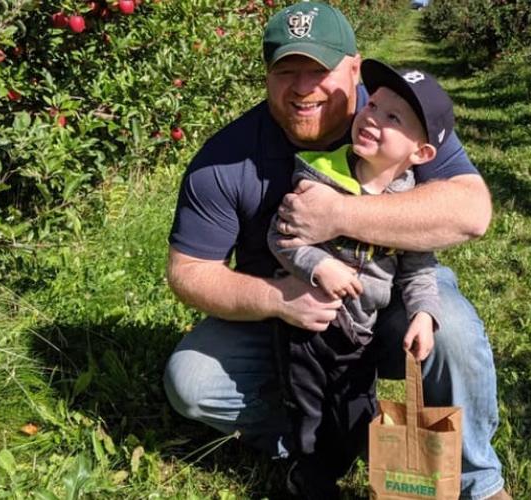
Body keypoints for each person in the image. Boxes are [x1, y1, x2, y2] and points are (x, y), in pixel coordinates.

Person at [163, 2, 510, 499]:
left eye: (320, 71)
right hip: (287, 325)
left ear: (354, 68)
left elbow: (471, 212)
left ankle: (479, 481)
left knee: (449, 327)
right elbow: (188, 272)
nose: (303, 88)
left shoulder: (398, 117)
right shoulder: (224, 160)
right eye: (287, 71)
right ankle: (325, 443)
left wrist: (337, 216)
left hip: (386, 303)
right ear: (266, 75)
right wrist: (279, 298)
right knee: (191, 382)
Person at [267, 58, 451, 498]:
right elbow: (280, 236)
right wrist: (319, 265)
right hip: (307, 326)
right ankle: (308, 480)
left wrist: (424, 314)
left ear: (421, 153)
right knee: (307, 408)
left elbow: (419, 267)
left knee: (356, 410)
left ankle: (353, 463)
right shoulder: (319, 174)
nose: (373, 119)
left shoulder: (410, 206)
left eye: (394, 118)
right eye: (374, 106)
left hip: (361, 332)